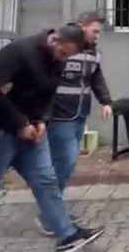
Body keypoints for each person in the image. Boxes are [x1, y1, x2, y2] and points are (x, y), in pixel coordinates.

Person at [0, 25, 105, 251]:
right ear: (54, 39)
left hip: (31, 132)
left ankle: (67, 236)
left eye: (68, 56)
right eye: (63, 53)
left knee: (46, 180)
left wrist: (42, 120)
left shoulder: (59, 59)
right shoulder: (18, 52)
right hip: (1, 132)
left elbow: (49, 94)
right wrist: (20, 123)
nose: (63, 59)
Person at [36, 12, 113, 236]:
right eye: (94, 31)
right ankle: (49, 216)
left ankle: (55, 210)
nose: (97, 35)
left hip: (79, 115)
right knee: (64, 163)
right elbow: (44, 80)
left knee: (66, 164)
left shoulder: (93, 53)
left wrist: (106, 101)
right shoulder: (62, 47)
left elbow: (96, 78)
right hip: (59, 116)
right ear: (81, 27)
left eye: (99, 32)